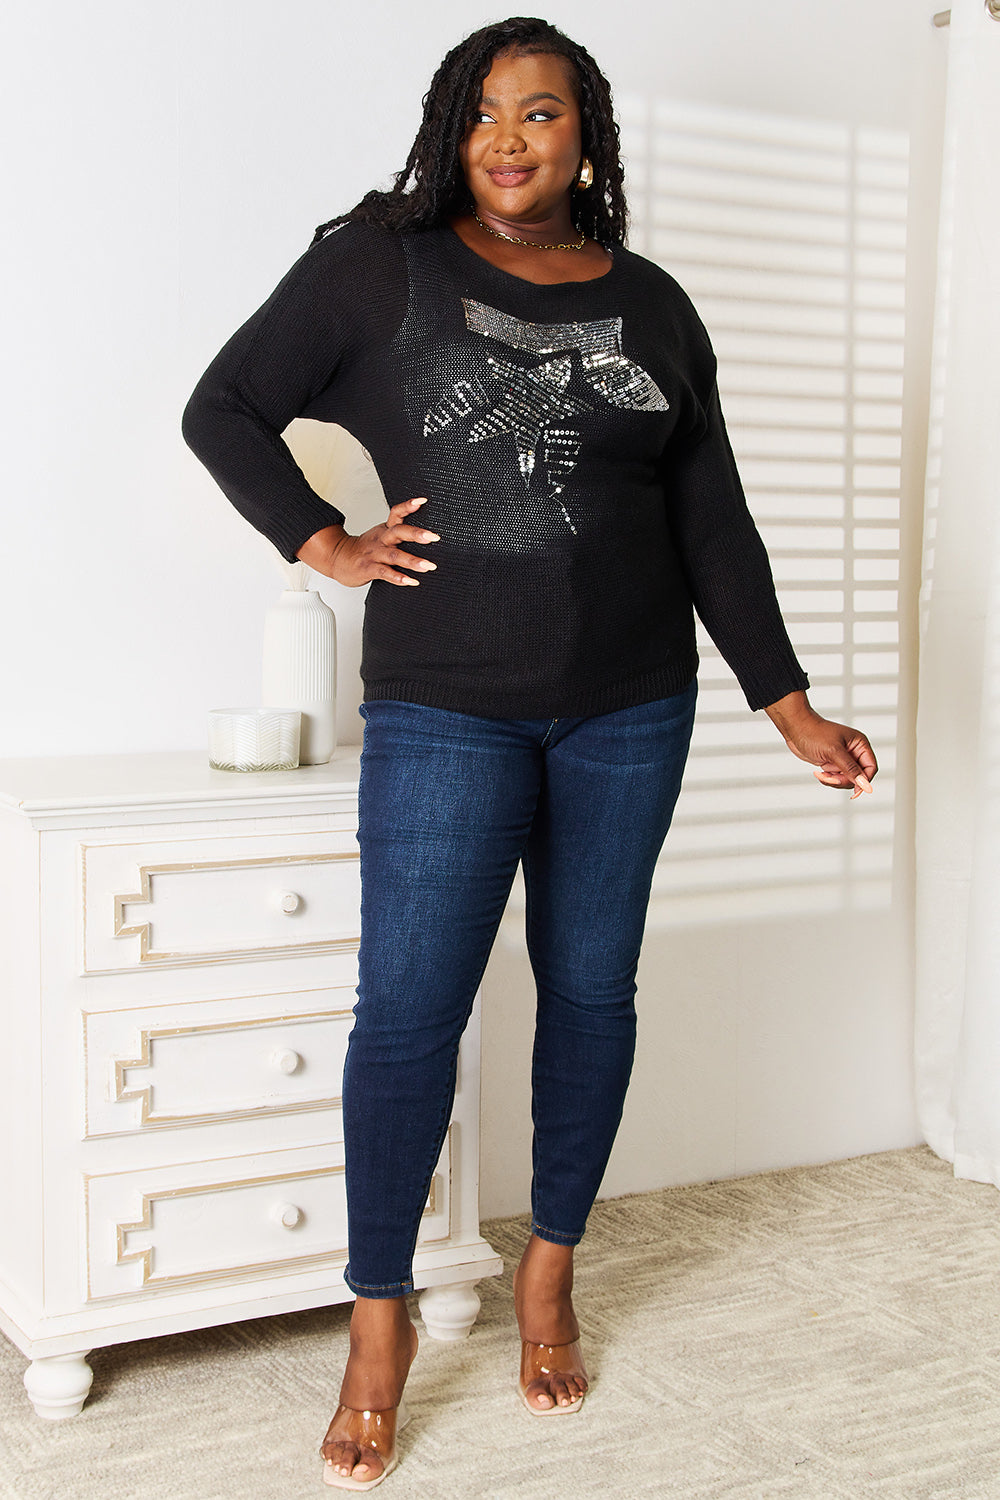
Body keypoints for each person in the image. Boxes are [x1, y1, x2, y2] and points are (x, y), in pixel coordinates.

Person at [182, 16, 877, 1489]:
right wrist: (324, 542)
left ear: (587, 138)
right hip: (446, 704)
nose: (512, 137)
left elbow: (713, 523)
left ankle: (549, 1275)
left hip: (632, 706)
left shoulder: (655, 305)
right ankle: (380, 1327)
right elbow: (224, 406)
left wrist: (788, 701)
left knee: (591, 993)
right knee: (408, 1011)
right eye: (485, 112)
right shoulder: (386, 267)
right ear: (454, 128)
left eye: (543, 113)